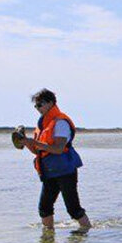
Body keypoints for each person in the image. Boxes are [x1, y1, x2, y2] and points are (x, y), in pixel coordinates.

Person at [16, 89, 91, 231]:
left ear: (51, 103)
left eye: (40, 105)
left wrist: (35, 142)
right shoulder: (42, 125)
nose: (38, 109)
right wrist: (26, 142)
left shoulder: (60, 122)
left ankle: (86, 232)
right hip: (48, 172)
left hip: (65, 170)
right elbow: (38, 152)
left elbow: (58, 149)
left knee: (73, 209)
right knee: (44, 208)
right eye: (36, 106)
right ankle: (48, 238)